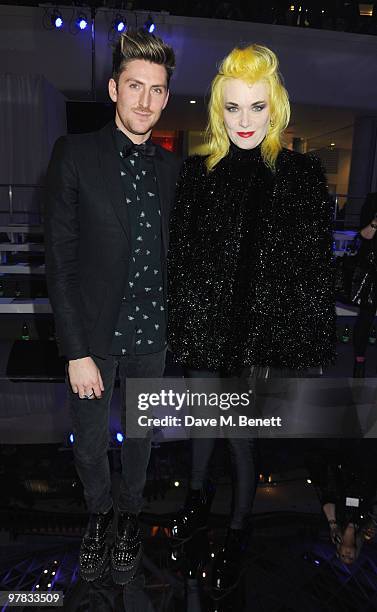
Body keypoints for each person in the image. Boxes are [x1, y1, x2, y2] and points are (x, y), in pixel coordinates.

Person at [167, 43, 336, 592]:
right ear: (219, 109)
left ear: (275, 108)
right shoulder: (198, 174)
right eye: (233, 107)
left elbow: (310, 271)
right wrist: (185, 325)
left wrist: (285, 349)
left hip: (254, 340)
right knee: (201, 427)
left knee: (239, 439)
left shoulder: (300, 176)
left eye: (256, 107)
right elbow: (183, 259)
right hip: (202, 330)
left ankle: (239, 525)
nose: (244, 120)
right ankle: (197, 498)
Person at [45, 30, 180, 584]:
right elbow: (60, 261)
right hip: (95, 338)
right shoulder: (74, 154)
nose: (145, 101)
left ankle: (129, 516)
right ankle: (99, 515)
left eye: (156, 90)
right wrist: (76, 351)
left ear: (166, 97)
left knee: (143, 442)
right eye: (134, 87)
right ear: (113, 89)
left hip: (154, 336)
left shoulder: (174, 170)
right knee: (92, 443)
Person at [353, 192, 377, 377]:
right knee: (366, 316)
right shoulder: (373, 200)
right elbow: (365, 235)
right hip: (372, 268)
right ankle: (359, 360)